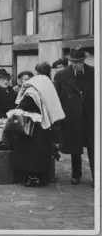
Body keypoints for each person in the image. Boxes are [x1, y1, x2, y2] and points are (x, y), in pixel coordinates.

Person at [12, 62, 65, 187]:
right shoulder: (49, 83)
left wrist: (18, 109)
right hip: (45, 124)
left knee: (31, 151)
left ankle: (32, 177)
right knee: (43, 151)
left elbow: (27, 102)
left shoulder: (36, 83)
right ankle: (43, 177)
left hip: (33, 125)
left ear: (37, 72)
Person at [54, 47, 94, 186]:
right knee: (74, 147)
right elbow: (56, 97)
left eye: (80, 61)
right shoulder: (62, 75)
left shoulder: (93, 72)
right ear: (70, 61)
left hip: (90, 116)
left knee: (93, 146)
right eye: (74, 62)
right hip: (71, 116)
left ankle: (96, 177)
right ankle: (76, 175)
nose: (77, 64)